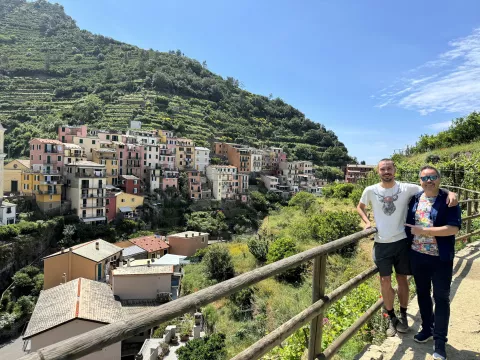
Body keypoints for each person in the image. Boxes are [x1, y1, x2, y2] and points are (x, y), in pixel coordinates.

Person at [356, 159, 457, 337]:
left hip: (403, 242)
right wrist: (367, 222)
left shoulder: (407, 188)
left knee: (402, 279)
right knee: (385, 282)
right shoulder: (370, 190)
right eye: (383, 169)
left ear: (395, 170)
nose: (386, 171)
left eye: (389, 168)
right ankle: (391, 317)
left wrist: (450, 192)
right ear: (378, 172)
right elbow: (360, 207)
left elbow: (431, 186)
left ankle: (403, 315)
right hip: (381, 242)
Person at [405, 166, 461, 360]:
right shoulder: (414, 198)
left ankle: (440, 342)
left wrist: (425, 231)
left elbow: (453, 229)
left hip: (440, 258)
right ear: (420, 180)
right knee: (422, 293)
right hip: (417, 255)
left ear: (439, 178)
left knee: (441, 298)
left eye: (433, 177)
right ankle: (427, 329)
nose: (429, 181)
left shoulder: (448, 200)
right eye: (425, 177)